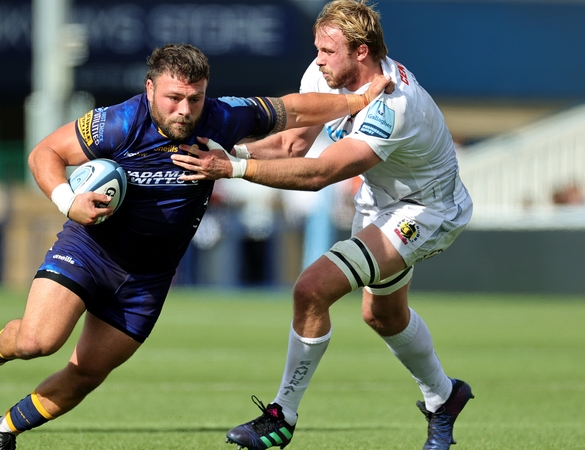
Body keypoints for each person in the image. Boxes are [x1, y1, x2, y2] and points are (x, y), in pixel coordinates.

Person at [0, 43, 389, 449]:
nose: (185, 110)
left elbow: (295, 109)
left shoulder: (222, 116)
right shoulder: (118, 122)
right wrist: (67, 201)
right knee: (39, 340)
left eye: (194, 98)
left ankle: (4, 430)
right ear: (150, 89)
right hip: (91, 249)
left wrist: (359, 100)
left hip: (149, 277)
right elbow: (43, 154)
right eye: (174, 98)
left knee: (88, 372)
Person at [171, 1, 474, 449]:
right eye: (317, 48)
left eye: (328, 50)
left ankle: (282, 416)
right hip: (380, 201)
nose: (318, 59)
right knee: (382, 315)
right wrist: (233, 153)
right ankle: (444, 397)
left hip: (425, 210)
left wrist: (230, 171)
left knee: (312, 288)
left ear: (362, 51)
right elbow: (294, 145)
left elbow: (320, 174)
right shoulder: (325, 76)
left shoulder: (394, 105)